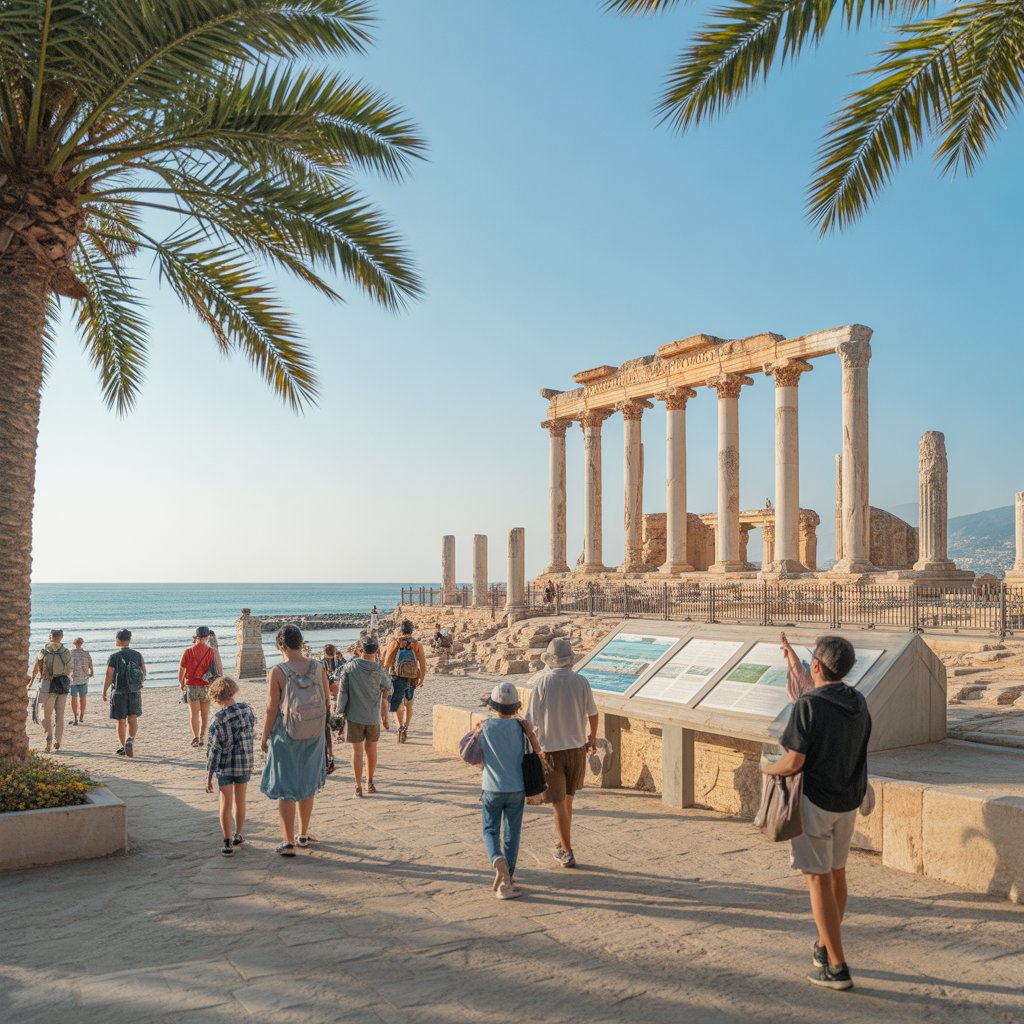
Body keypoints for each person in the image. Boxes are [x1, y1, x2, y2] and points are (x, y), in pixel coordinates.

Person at [763, 635, 872, 991]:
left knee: (817, 879)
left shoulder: (808, 705)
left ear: (817, 667)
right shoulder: (858, 700)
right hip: (847, 800)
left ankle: (837, 967)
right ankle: (825, 946)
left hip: (816, 802)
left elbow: (794, 760)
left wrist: (768, 769)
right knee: (837, 874)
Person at [525, 636, 597, 869]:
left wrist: (535, 748)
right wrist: (592, 737)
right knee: (568, 801)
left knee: (557, 804)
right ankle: (562, 842)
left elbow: (530, 721)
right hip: (577, 750)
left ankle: (567, 851)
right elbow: (593, 713)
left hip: (552, 751)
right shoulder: (581, 681)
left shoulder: (543, 683)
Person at [260, 624, 330, 856]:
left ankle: (288, 841)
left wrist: (264, 736)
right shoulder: (318, 666)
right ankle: (303, 834)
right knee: (307, 784)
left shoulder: (278, 671)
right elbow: (327, 701)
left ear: (281, 645)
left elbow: (271, 709)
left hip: (286, 733)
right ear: (301, 642)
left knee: (286, 788)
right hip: (314, 731)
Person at [472, 682, 544, 900]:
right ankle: (508, 879)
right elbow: (537, 750)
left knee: (490, 830)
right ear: (515, 707)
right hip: (516, 787)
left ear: (493, 706)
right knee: (512, 833)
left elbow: (472, 751)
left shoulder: (484, 726)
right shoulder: (521, 728)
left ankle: (496, 859)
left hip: (491, 787)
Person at [205, 676, 256, 857]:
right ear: (233, 691)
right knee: (240, 800)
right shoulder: (247, 710)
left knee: (225, 803)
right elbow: (252, 733)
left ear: (217, 697)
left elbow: (214, 750)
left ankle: (227, 842)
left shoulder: (218, 719)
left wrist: (209, 775)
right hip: (244, 763)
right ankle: (238, 834)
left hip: (225, 766)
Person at [336, 636, 391, 796]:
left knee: (357, 751)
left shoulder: (349, 667)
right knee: (371, 749)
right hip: (372, 716)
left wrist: (340, 711)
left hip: (354, 716)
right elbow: (388, 685)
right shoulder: (378, 669)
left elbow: (343, 692)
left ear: (361, 649)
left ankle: (358, 786)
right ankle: (370, 782)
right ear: (376, 650)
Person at [26, 629, 73, 753]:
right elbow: (70, 669)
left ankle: (49, 740)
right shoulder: (66, 652)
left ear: (49, 637)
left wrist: (30, 683)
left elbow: (35, 669)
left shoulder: (43, 652)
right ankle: (57, 741)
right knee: (60, 715)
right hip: (63, 685)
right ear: (61, 637)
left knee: (44, 715)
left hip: (47, 684)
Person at [102, 629, 147, 757]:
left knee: (121, 721)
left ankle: (123, 747)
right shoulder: (137, 655)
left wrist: (104, 690)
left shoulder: (114, 657)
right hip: (134, 691)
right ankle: (130, 741)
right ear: (129, 640)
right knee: (132, 718)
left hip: (119, 692)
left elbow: (109, 675)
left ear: (118, 640)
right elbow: (144, 673)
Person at [382, 619, 426, 743]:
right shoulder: (417, 644)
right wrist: (421, 678)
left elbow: (387, 662)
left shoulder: (395, 643)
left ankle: (400, 727)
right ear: (412, 630)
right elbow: (422, 663)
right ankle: (406, 726)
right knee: (409, 703)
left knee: (397, 704)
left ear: (400, 629)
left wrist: (384, 678)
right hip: (412, 677)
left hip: (397, 677)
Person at [179, 626, 221, 748]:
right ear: (207, 637)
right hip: (206, 686)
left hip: (191, 685)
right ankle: (202, 737)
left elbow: (181, 670)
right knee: (204, 714)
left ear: (196, 637)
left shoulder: (187, 651)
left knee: (194, 714)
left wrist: (181, 683)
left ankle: (195, 737)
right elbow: (216, 669)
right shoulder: (211, 651)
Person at [68, 636, 93, 725]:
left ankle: (75, 717)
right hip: (84, 678)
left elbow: (67, 666)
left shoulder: (70, 653)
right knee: (83, 698)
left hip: (73, 679)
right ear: (82, 643)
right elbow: (90, 664)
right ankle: (82, 714)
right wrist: (91, 673)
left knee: (74, 698)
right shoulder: (86, 653)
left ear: (74, 644)